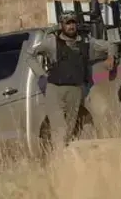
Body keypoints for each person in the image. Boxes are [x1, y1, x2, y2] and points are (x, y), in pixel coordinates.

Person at [25, 10, 92, 151]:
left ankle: (64, 158)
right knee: (59, 129)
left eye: (73, 22)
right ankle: (59, 157)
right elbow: (29, 55)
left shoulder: (84, 42)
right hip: (55, 90)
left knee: (69, 131)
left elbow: (104, 48)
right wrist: (42, 75)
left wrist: (111, 56)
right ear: (61, 25)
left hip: (75, 91)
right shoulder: (52, 42)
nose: (71, 26)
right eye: (67, 23)